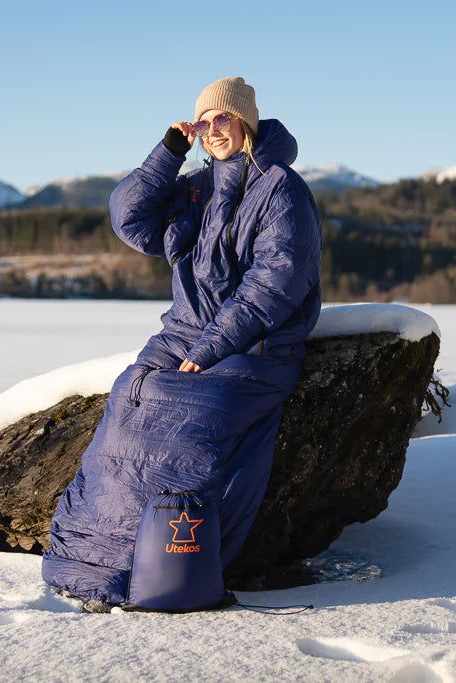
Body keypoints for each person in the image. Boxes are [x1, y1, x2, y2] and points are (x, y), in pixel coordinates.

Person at [41, 76, 323, 612]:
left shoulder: (282, 189)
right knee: (130, 397)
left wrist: (211, 348)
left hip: (253, 345)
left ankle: (166, 569)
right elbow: (129, 218)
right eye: (206, 121)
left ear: (246, 122)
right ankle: (88, 563)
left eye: (225, 119)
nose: (215, 129)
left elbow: (276, 281)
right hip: (180, 333)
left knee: (189, 424)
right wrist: (168, 150)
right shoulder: (195, 187)